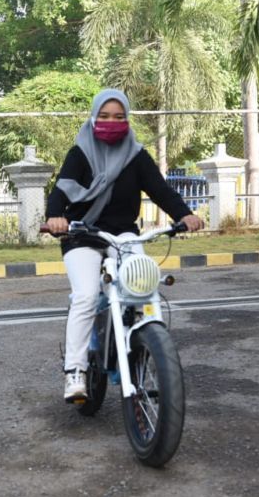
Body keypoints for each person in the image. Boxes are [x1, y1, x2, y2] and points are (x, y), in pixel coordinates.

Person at [45, 89, 204, 402]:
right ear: (94, 117)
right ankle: (75, 371)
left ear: (128, 119)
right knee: (86, 296)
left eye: (119, 117)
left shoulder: (136, 155)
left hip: (124, 236)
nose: (111, 122)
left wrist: (184, 214)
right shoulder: (80, 153)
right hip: (82, 235)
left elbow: (160, 190)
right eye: (104, 116)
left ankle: (143, 343)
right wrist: (55, 217)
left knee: (142, 288)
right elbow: (61, 191)